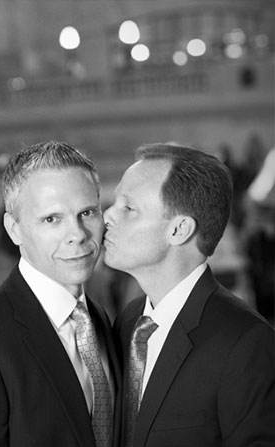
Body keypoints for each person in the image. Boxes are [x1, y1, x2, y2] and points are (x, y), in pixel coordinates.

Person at [0, 141, 120, 447]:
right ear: (14, 229)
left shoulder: (99, 322)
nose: (77, 235)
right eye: (51, 219)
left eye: (87, 213)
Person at [103, 143, 275, 447]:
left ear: (179, 229)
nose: (107, 216)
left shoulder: (245, 341)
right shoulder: (128, 322)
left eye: (128, 208)